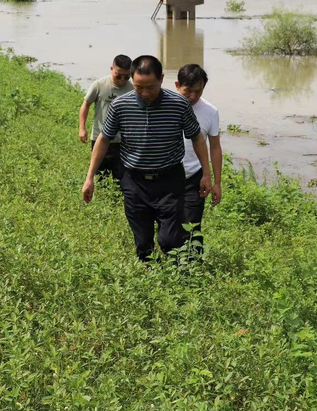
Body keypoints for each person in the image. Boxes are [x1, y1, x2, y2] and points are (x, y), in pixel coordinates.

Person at [83, 55, 210, 261]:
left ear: (161, 79)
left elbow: (196, 138)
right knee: (143, 243)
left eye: (150, 87)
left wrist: (206, 173)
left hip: (169, 181)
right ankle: (151, 275)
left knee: (168, 239)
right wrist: (89, 177)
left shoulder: (178, 105)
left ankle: (178, 272)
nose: (144, 93)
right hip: (134, 181)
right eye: (138, 87)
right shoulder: (120, 106)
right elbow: (103, 140)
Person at [175, 64, 222, 249]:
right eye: (188, 91)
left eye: (198, 91)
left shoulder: (211, 112)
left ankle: (193, 267)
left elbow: (215, 147)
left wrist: (216, 182)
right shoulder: (165, 105)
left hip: (195, 176)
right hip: (166, 174)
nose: (193, 97)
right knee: (168, 225)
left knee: (192, 225)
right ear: (177, 85)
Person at [79, 54, 133, 179]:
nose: (122, 80)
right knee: (100, 177)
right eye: (118, 75)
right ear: (111, 69)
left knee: (121, 179)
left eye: (126, 76)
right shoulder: (99, 85)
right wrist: (82, 128)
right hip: (100, 138)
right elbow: (86, 105)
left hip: (123, 142)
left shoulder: (133, 90)